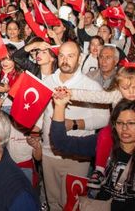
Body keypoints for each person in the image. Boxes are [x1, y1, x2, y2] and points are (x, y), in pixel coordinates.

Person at [65, 65, 135, 194]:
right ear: (118, 86)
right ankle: (99, 171)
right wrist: (71, 93)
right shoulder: (115, 94)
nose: (131, 92)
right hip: (118, 127)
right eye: (125, 88)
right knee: (104, 134)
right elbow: (95, 96)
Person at [39, 41, 110, 211]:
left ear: (80, 59)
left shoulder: (91, 86)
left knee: (72, 204)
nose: (65, 60)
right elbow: (41, 113)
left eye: (70, 56)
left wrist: (77, 124)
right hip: (49, 153)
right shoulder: (47, 82)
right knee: (53, 202)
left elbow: (105, 118)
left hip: (77, 156)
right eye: (62, 55)